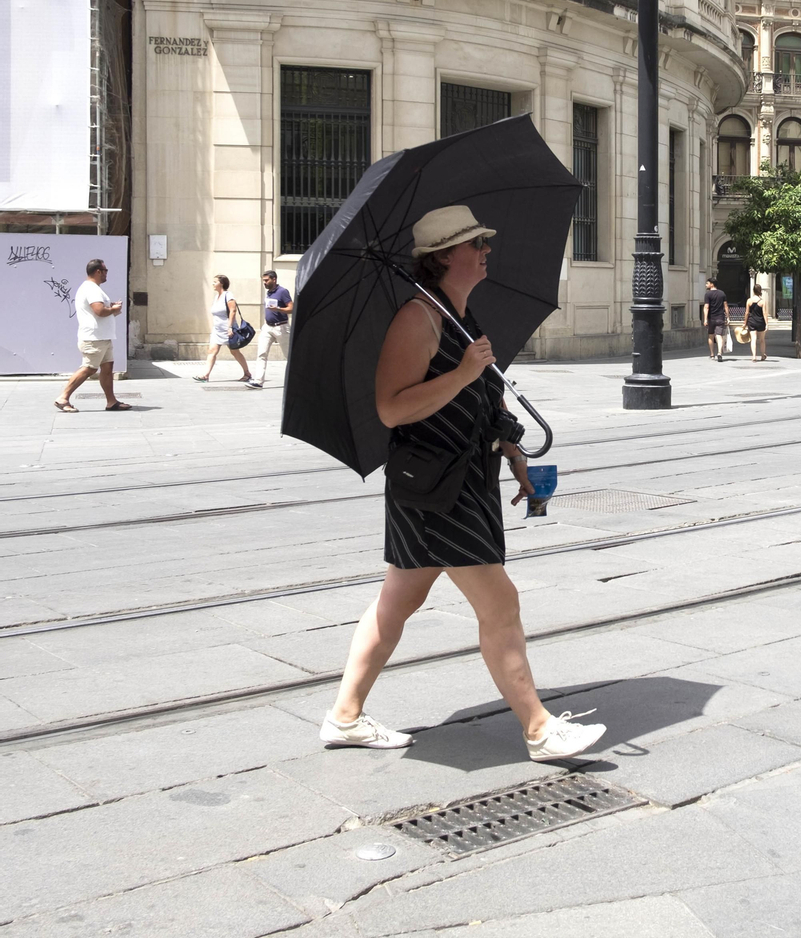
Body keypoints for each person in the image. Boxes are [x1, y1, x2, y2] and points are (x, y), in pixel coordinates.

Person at [321, 205, 604, 761]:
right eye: (476, 243)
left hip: (458, 479)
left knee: (395, 604)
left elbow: (480, 400)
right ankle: (540, 728)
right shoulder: (417, 319)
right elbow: (391, 410)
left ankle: (344, 716)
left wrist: (512, 450)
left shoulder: (457, 316)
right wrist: (463, 372)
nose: (486, 250)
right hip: (436, 488)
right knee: (501, 604)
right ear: (446, 254)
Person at [55, 258, 130, 413]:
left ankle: (111, 402)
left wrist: (111, 310)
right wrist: (114, 310)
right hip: (94, 338)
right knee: (89, 368)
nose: (106, 273)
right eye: (105, 270)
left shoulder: (93, 288)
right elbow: (99, 311)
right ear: (98, 271)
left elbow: (99, 312)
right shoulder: (92, 289)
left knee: (107, 368)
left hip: (102, 337)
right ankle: (63, 397)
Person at [194, 274, 252, 382]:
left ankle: (247, 373)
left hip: (228, 330)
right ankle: (205, 375)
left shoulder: (228, 295)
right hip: (217, 330)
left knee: (235, 352)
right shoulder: (216, 297)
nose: (213, 284)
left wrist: (230, 327)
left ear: (222, 283)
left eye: (215, 282)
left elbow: (233, 311)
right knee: (212, 351)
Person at [252, 270, 292, 387]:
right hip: (268, 327)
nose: (264, 282)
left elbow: (291, 308)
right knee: (261, 354)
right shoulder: (269, 292)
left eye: (266, 280)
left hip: (281, 327)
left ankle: (296, 380)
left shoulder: (283, 292)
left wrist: (278, 309)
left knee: (289, 355)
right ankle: (258, 381)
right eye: (263, 280)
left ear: (274, 279)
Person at [703, 276, 729, 362]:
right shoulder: (722, 293)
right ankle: (719, 353)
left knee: (711, 336)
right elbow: (725, 306)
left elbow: (706, 307)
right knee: (719, 336)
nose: (706, 285)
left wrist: (705, 319)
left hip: (711, 318)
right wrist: (728, 317)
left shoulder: (708, 294)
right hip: (720, 318)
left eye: (707, 283)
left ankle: (712, 354)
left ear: (711, 284)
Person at [743, 282, 769, 361]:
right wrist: (767, 324)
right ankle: (762, 355)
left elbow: (747, 313)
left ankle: (754, 356)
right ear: (760, 291)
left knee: (753, 339)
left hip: (752, 322)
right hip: (760, 322)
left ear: (753, 291)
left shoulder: (749, 301)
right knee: (762, 340)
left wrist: (745, 323)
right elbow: (764, 313)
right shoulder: (762, 301)